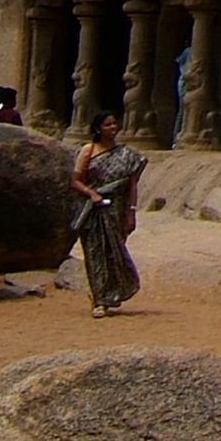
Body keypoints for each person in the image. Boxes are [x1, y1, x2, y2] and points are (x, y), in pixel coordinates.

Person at [70, 111, 145, 318]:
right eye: (107, 124)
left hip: (117, 209)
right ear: (97, 129)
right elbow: (75, 181)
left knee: (115, 253)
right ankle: (100, 299)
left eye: (114, 123)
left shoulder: (127, 154)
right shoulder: (89, 150)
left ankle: (114, 294)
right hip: (95, 210)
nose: (112, 127)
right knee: (96, 254)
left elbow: (131, 185)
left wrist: (131, 212)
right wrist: (91, 193)